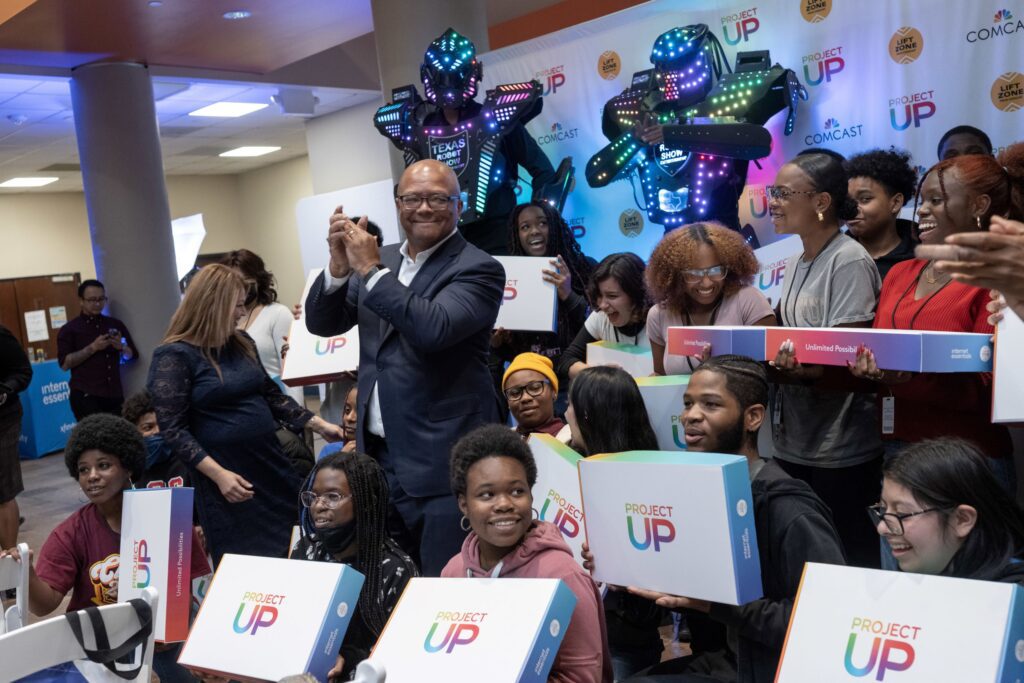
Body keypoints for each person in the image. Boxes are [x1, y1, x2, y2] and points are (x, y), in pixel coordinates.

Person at [587, 356, 845, 683]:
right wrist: (625, 567)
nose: (691, 416)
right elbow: (688, 598)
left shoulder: (790, 509)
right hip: (726, 659)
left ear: (752, 418)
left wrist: (715, 604)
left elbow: (826, 623)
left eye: (710, 404)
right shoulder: (701, 496)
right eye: (688, 403)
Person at [304, 158, 505, 576]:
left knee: (441, 587)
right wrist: (339, 269)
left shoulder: (478, 267)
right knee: (388, 584)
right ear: (398, 204)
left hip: (442, 463)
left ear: (459, 204)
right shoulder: (380, 261)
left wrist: (369, 270)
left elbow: (433, 328)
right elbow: (322, 323)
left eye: (437, 198)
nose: (424, 208)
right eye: (412, 198)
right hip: (378, 459)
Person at [849, 145, 1024, 495]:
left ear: (978, 206)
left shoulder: (997, 277)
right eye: (922, 200)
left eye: (937, 200)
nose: (923, 210)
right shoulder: (901, 273)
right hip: (898, 454)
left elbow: (993, 390)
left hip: (967, 460)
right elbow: (881, 358)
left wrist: (904, 379)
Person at [149, 265, 343, 566]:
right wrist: (219, 475)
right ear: (213, 305)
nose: (242, 313)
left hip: (270, 463)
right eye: (237, 305)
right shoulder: (175, 356)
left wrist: (318, 424)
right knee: (250, 562)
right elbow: (173, 429)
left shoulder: (242, 343)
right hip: (228, 479)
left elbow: (271, 395)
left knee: (298, 546)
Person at [0, 415, 211, 681]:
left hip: (163, 637)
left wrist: (191, 639)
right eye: (83, 470)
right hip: (99, 643)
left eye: (103, 465)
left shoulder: (168, 515)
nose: (92, 477)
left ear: (128, 468)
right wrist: (28, 572)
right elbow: (45, 606)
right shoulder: (72, 532)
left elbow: (200, 587)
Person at [767, 152, 883, 569]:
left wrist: (800, 369)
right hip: (795, 439)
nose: (773, 202)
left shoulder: (848, 259)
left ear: (820, 202)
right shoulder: (797, 260)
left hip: (840, 446)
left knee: (846, 559)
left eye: (783, 193)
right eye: (772, 192)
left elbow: (844, 356)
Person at [442, 424, 613, 683]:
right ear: (464, 504)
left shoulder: (564, 576)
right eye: (487, 494)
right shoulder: (453, 572)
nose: (504, 504)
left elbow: (583, 676)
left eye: (517, 491)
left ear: (532, 496)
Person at [565, 367, 666, 679]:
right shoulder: (564, 462)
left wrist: (620, 569)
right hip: (570, 632)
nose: (565, 413)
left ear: (588, 416)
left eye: (570, 405)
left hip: (623, 641)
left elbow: (657, 598)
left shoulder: (654, 487)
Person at [292, 451, 418, 680]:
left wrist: (348, 660)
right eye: (314, 496)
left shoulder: (394, 569)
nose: (318, 505)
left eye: (333, 496)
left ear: (364, 501)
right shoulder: (306, 550)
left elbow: (404, 652)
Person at [871, 438, 1024, 582]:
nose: (882, 528)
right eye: (883, 510)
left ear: (962, 519)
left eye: (902, 514)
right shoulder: (923, 573)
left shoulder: (1011, 595)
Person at [491, 201, 594, 408]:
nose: (534, 231)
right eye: (525, 227)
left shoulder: (585, 268)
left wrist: (568, 293)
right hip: (534, 389)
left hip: (579, 384)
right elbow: (514, 353)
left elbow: (601, 325)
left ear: (554, 227)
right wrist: (499, 343)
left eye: (542, 223)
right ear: (517, 235)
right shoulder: (509, 278)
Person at [644, 223, 775, 375]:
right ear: (674, 276)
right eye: (694, 274)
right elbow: (661, 376)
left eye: (715, 270)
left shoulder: (748, 300)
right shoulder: (659, 314)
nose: (707, 282)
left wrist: (719, 368)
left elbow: (769, 373)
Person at [220, 248, 305, 405]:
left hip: (277, 401)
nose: (241, 289)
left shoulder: (277, 314)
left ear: (258, 280)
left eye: (246, 282)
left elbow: (290, 370)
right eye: (234, 283)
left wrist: (299, 418)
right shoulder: (222, 321)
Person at [561, 253, 652, 380]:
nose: (602, 305)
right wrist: (598, 374)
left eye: (612, 296)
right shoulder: (600, 317)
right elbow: (566, 361)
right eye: (599, 295)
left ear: (636, 294)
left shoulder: (659, 319)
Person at [57, 279, 138, 420]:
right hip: (85, 395)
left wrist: (122, 348)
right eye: (92, 300)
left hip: (114, 394)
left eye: (101, 299)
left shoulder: (115, 324)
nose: (97, 304)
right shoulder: (70, 329)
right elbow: (64, 364)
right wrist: (92, 348)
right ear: (81, 301)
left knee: (120, 437)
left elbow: (133, 356)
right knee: (94, 440)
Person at [844, 148, 919, 280]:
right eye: (848, 200)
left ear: (895, 203)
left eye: (865, 199)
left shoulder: (924, 256)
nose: (851, 209)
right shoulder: (834, 255)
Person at [0, 325, 31, 550]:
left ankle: (9, 562)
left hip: (4, 420)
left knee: (3, 490)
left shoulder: (1, 334)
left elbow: (23, 372)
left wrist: (5, 389)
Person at [121, 390, 190, 490]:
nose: (157, 431)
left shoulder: (188, 461)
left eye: (162, 425)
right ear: (135, 433)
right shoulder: (131, 472)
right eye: (148, 427)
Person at [502, 352, 566, 441]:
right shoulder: (501, 443)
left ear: (553, 391)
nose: (525, 398)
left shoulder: (571, 440)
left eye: (535, 388)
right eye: (515, 393)